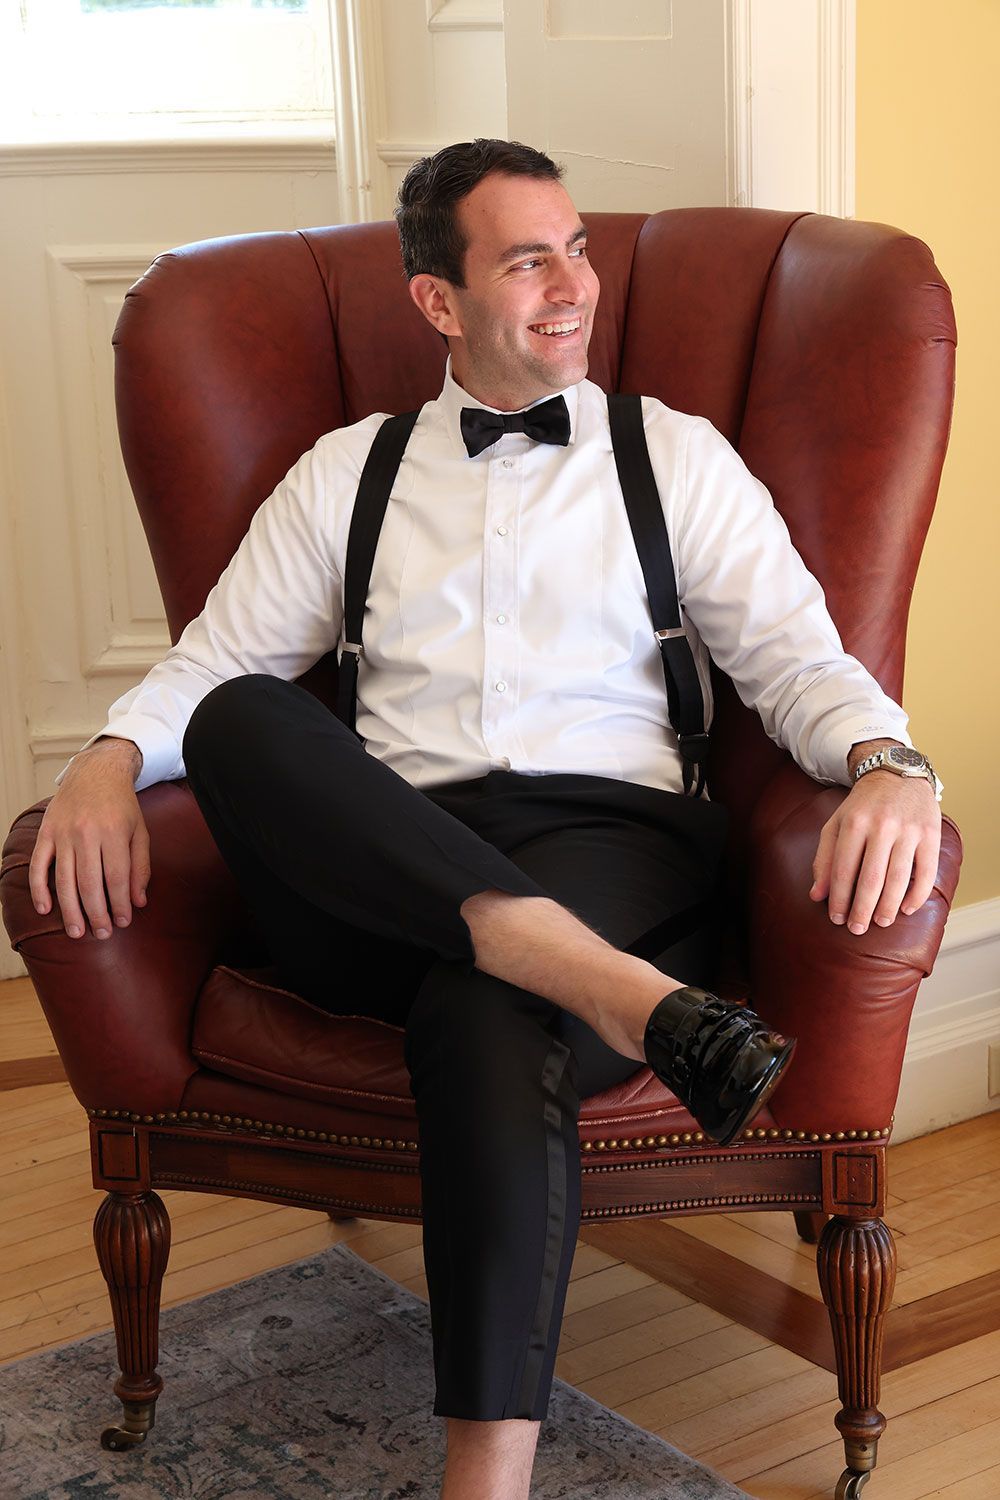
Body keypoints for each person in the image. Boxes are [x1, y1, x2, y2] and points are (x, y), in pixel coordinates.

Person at [28, 139, 942, 1499]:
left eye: (576, 251)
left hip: (609, 847)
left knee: (486, 1009)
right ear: (437, 301)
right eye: (527, 262)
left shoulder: (671, 457)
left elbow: (803, 664)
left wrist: (889, 763)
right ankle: (622, 995)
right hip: (382, 869)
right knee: (240, 718)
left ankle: (484, 1483)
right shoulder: (350, 472)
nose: (573, 285)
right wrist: (108, 757)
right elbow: (214, 665)